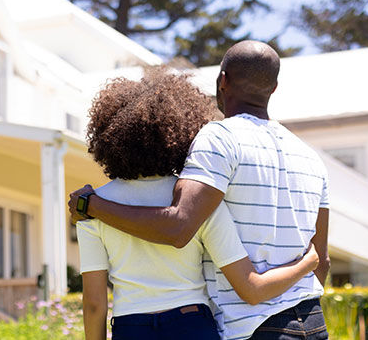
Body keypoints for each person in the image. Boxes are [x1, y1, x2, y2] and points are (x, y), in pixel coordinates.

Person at [70, 41, 331, 340]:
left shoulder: (220, 138)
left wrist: (91, 206)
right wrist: (305, 268)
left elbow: (178, 225)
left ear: (223, 81)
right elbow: (320, 260)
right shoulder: (310, 156)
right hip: (311, 321)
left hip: (250, 327)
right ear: (273, 88)